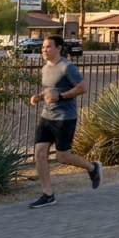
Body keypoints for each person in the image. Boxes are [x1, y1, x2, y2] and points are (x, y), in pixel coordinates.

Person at [28, 35, 102, 208]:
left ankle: (92, 167)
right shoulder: (46, 68)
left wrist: (61, 96)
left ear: (58, 48)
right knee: (39, 154)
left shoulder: (67, 67)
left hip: (65, 117)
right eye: (43, 48)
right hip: (47, 116)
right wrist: (38, 97)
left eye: (47, 47)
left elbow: (82, 87)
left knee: (62, 156)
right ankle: (48, 195)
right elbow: (50, 91)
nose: (44, 50)